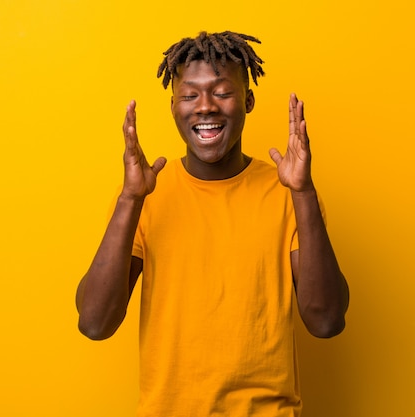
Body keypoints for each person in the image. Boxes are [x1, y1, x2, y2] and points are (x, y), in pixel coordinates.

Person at [76, 31, 349, 417]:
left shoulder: (288, 193)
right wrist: (130, 200)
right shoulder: (145, 197)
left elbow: (326, 321)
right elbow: (94, 323)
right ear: (173, 107)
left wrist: (303, 192)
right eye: (189, 96)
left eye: (222, 92)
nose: (205, 107)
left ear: (248, 101)